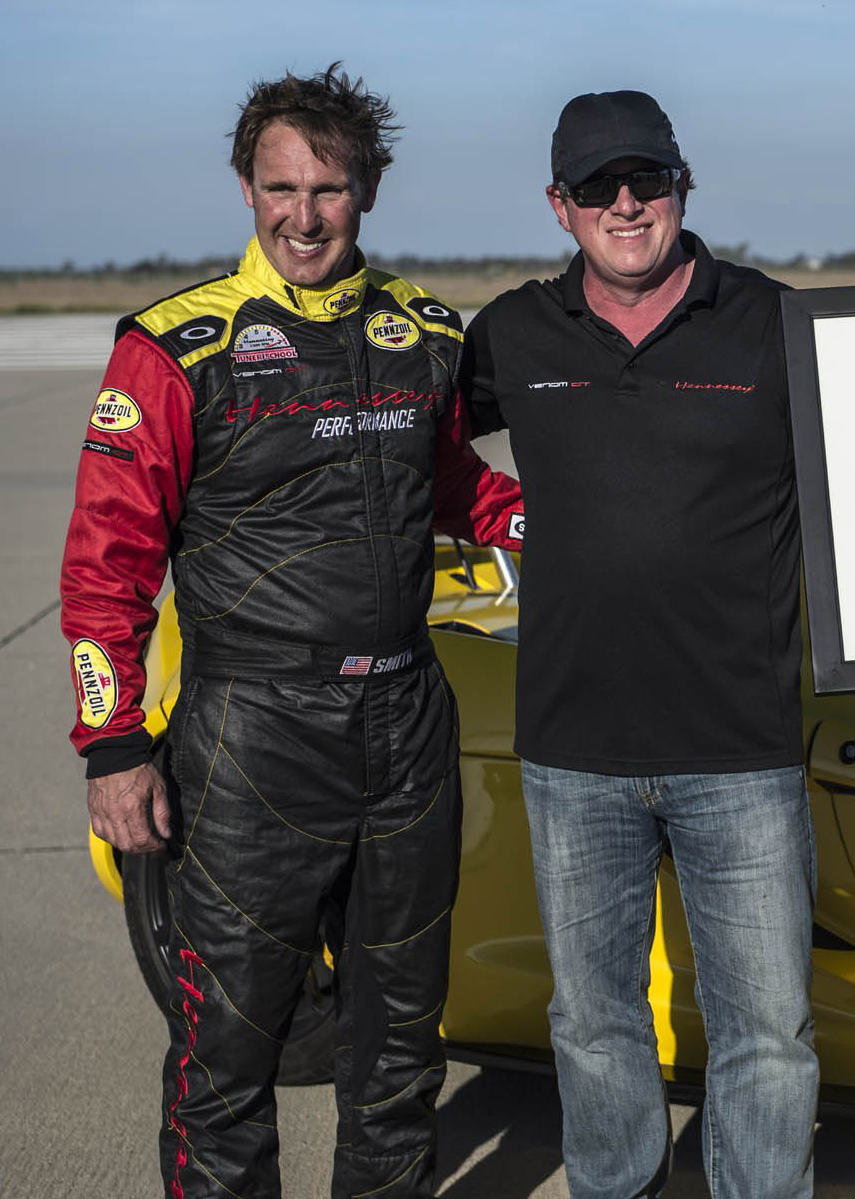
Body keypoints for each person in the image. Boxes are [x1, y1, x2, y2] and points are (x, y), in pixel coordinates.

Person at [462, 91, 855, 1199]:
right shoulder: (510, 334)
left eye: (647, 181)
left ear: (683, 186)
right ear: (557, 205)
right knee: (592, 1020)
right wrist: (505, 517)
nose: (627, 206)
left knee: (767, 1031)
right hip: (574, 750)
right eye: (598, 188)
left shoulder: (777, 323)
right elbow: (413, 459)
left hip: (742, 749)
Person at [60, 63, 522, 1199]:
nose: (303, 215)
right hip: (250, 734)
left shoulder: (422, 330)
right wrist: (113, 745)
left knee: (401, 1045)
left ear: (369, 186)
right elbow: (105, 562)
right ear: (243, 185)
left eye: (328, 188)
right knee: (225, 1051)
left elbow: (452, 481)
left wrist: (563, 521)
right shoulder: (176, 347)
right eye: (281, 187)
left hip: (406, 723)